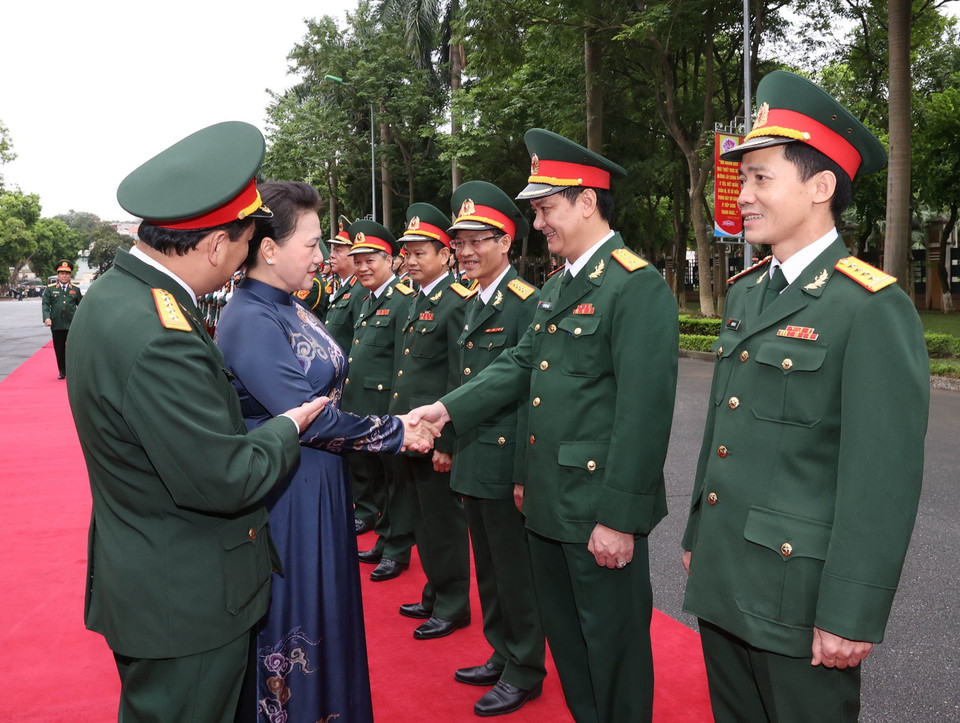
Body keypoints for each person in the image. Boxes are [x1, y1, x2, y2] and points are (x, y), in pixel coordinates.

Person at [680, 71, 930, 722]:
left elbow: (881, 481)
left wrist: (851, 611)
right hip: (726, 575)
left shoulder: (869, 306)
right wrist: (700, 533)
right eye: (743, 178)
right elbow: (723, 429)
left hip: (800, 598)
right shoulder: (747, 292)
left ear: (820, 187)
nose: (744, 194)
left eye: (761, 177)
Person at [411, 129, 678, 722]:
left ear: (587, 202)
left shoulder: (635, 285)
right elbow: (519, 364)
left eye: (546, 208)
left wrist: (619, 518)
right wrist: (447, 409)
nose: (538, 223)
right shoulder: (559, 286)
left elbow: (644, 416)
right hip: (549, 504)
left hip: (597, 509)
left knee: (613, 651)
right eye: (535, 211)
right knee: (571, 646)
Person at [65, 121, 329, 722]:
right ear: (214, 245)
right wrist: (287, 426)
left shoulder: (113, 296)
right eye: (242, 246)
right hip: (188, 597)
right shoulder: (161, 333)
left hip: (153, 574)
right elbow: (225, 478)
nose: (240, 263)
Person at [215, 182, 437, 723]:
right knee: (296, 618)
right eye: (312, 244)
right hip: (286, 495)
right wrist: (397, 431)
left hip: (318, 484)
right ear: (270, 249)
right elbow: (307, 417)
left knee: (326, 610)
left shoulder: (290, 307)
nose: (322, 257)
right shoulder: (251, 318)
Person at [446, 181, 548, 717]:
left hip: (506, 458)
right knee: (487, 568)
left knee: (515, 572)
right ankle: (501, 651)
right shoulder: (472, 301)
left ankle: (525, 668)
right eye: (459, 243)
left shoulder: (526, 304)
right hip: (473, 453)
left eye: (476, 241)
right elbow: (463, 380)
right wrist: (447, 441)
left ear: (506, 242)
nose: (465, 252)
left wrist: (524, 471)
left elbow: (530, 391)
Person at [390, 202, 476, 640]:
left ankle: (454, 603)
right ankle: (435, 592)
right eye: (407, 253)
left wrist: (447, 442)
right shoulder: (416, 299)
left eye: (420, 252)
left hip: (436, 434)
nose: (410, 260)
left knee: (443, 522)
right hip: (412, 434)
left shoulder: (456, 302)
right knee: (423, 520)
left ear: (445, 255)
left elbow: (458, 376)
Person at [340, 220, 418, 582]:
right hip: (364, 408)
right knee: (379, 481)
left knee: (396, 483)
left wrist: (397, 414)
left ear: (391, 260)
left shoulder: (402, 300)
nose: (363, 268)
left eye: (370, 260)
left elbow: (404, 361)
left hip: (388, 411)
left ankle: (397, 549)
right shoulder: (367, 299)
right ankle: (385, 539)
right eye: (357, 262)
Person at [323, 215, 378, 534]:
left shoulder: (359, 292)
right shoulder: (343, 290)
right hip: (342, 384)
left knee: (363, 455)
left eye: (338, 250)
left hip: (357, 383)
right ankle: (363, 504)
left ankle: (368, 508)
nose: (331, 255)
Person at [42, 259, 82, 378]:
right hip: (57, 324)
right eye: (62, 273)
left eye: (67, 273)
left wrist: (83, 320)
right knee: (59, 349)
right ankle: (62, 371)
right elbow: (45, 305)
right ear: (58, 275)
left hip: (72, 324)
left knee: (72, 348)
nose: (64, 276)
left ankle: (71, 370)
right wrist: (47, 318)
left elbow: (81, 305)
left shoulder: (75, 289)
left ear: (70, 275)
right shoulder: (50, 289)